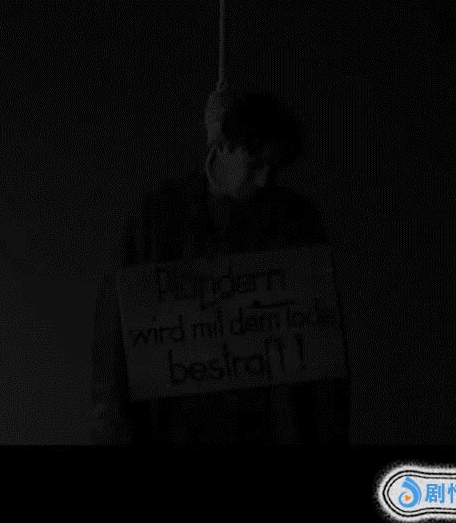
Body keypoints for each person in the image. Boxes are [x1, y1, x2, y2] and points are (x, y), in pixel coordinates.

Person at [92, 89, 350, 444]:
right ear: (224, 146)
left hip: (265, 428)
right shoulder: (155, 220)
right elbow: (118, 340)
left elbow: (322, 350)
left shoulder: (296, 224)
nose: (264, 180)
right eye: (255, 164)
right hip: (177, 426)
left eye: (273, 169)